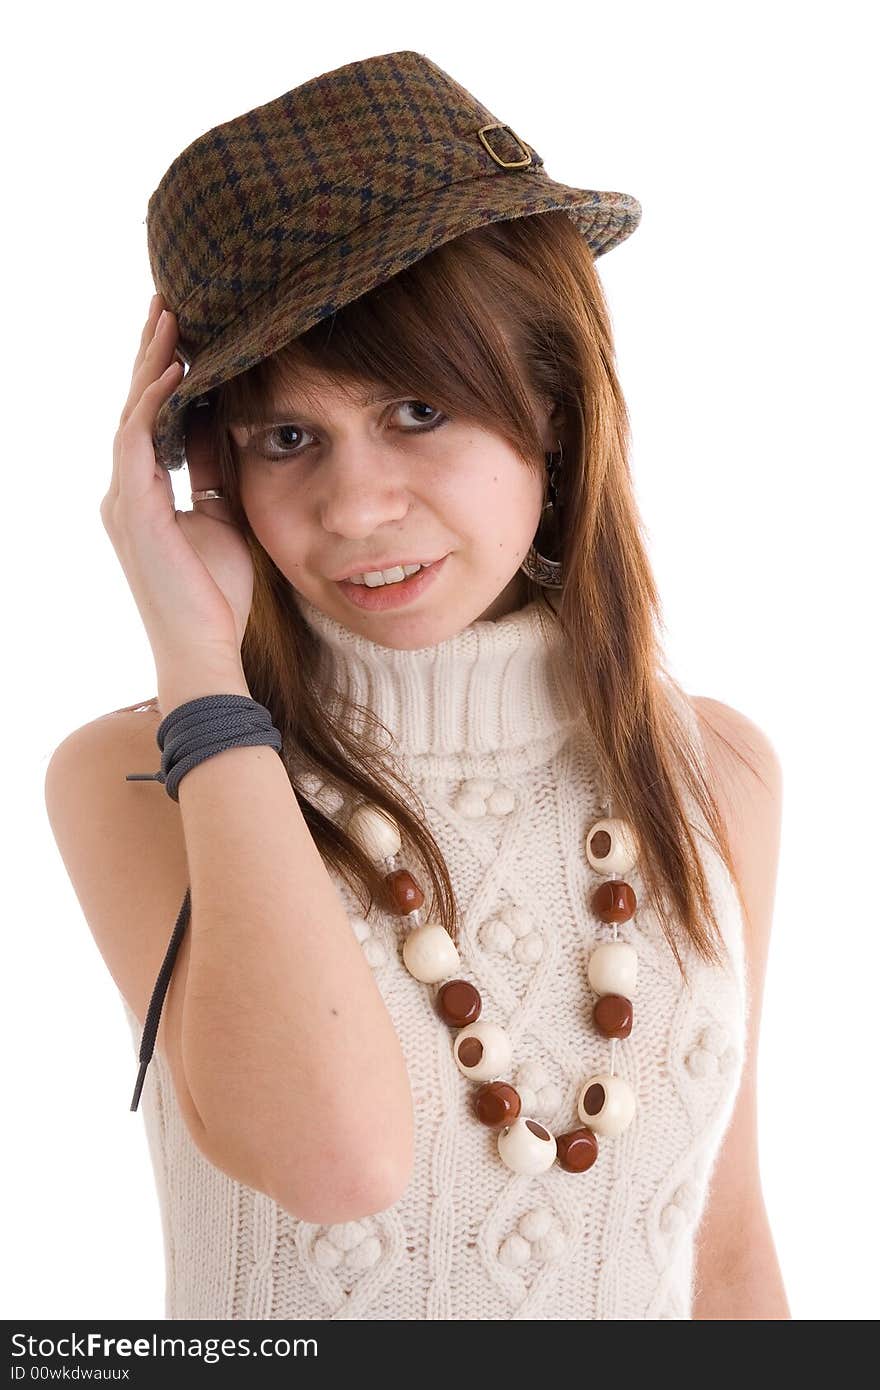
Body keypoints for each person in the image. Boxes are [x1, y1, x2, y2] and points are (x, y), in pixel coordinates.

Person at [43, 49, 789, 1320]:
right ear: (211, 475)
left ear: (550, 405)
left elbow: (722, 1257)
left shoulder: (710, 769)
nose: (355, 507)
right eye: (289, 437)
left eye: (415, 410)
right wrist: (198, 667)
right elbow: (335, 1162)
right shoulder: (140, 774)